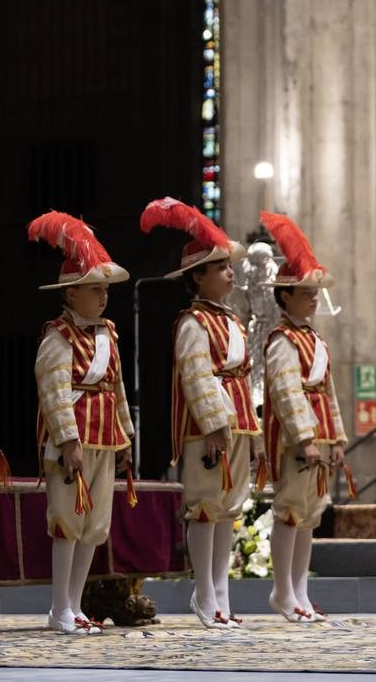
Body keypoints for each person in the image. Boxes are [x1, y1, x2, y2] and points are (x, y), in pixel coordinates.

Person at [141, 196, 259, 628]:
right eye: (222, 267)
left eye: (230, 265)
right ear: (198, 277)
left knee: (229, 511)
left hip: (241, 422)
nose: (231, 273)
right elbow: (196, 376)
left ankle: (222, 594)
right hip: (209, 430)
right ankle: (204, 594)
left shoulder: (232, 321)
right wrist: (214, 424)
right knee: (205, 508)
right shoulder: (192, 323)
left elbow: (241, 376)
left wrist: (251, 430)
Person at [28, 211, 135, 635]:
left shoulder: (109, 333)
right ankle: (58, 607)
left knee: (94, 526)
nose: (103, 296)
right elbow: (53, 394)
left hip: (106, 437)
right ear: (71, 294)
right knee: (67, 521)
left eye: (105, 289)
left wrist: (125, 437)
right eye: (95, 289)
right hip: (73, 441)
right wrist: (67, 440)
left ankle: (75, 604)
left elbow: (118, 389)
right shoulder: (57, 336)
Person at [259, 211, 348, 624]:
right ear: (285, 296)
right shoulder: (281, 341)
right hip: (298, 440)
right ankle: (283, 589)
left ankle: (301, 589)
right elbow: (287, 392)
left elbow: (326, 390)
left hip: (322, 436)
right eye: (305, 291)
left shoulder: (315, 339)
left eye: (314, 290)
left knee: (311, 513)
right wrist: (305, 438)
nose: (314, 297)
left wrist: (338, 437)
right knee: (291, 509)